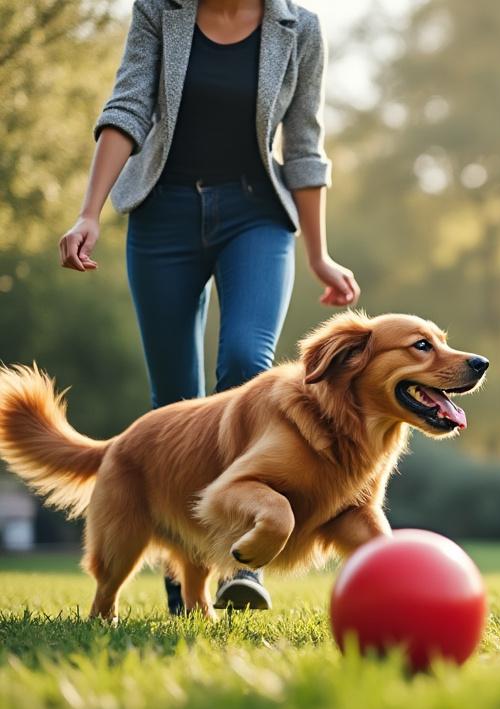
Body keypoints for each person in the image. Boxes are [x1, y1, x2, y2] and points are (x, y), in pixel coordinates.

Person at [56, 0, 362, 612]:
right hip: (162, 214)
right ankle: (184, 575)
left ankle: (243, 569)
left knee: (250, 364)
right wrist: (89, 211)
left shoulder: (297, 28)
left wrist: (320, 254)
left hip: (255, 214)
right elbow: (128, 107)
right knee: (174, 402)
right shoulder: (159, 12)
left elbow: (304, 141)